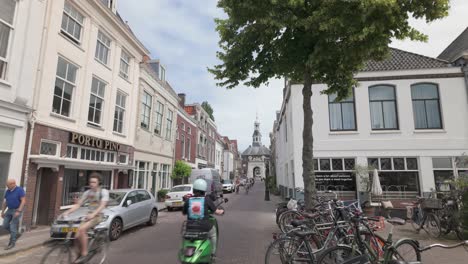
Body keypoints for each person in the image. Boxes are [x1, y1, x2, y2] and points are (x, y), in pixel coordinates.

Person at [62, 172, 109, 263]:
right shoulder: (87, 193)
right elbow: (78, 204)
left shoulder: (103, 192)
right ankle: (78, 256)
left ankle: (84, 252)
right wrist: (67, 212)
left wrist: (93, 214)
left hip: (98, 216)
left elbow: (102, 205)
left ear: (99, 183)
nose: (91, 184)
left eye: (94, 182)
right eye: (90, 182)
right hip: (88, 216)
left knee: (82, 230)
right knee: (76, 236)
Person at [182, 179, 224, 258]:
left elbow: (184, 212)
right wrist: (221, 211)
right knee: (213, 233)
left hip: (190, 227)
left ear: (194, 190)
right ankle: (213, 253)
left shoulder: (188, 200)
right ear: (204, 190)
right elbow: (217, 211)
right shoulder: (206, 199)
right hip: (204, 227)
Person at [1, 179, 26, 250]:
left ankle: (12, 242)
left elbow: (23, 201)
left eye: (8, 185)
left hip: (17, 210)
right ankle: (15, 234)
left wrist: (19, 211)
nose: (7, 186)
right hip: (9, 210)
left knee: (12, 226)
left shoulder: (19, 190)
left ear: (13, 184)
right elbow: (5, 202)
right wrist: (2, 212)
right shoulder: (8, 191)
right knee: (5, 225)